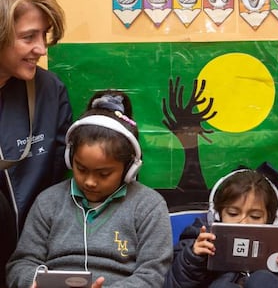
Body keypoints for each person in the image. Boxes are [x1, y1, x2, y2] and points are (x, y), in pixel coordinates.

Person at [6, 90, 173, 288]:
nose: (90, 182)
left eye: (103, 174)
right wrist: (32, 281)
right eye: (81, 169)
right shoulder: (48, 202)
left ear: (129, 169)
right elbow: (20, 264)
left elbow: (153, 275)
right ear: (69, 159)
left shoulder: (149, 206)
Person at [0, 0, 72, 285]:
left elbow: (60, 184)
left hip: (31, 260)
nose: (41, 48)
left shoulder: (49, 91)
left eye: (44, 35)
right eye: (29, 37)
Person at [164, 168, 278, 288]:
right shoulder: (197, 239)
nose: (243, 222)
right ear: (217, 214)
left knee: (263, 281)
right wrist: (193, 258)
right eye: (233, 213)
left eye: (255, 216)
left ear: (271, 219)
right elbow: (170, 284)